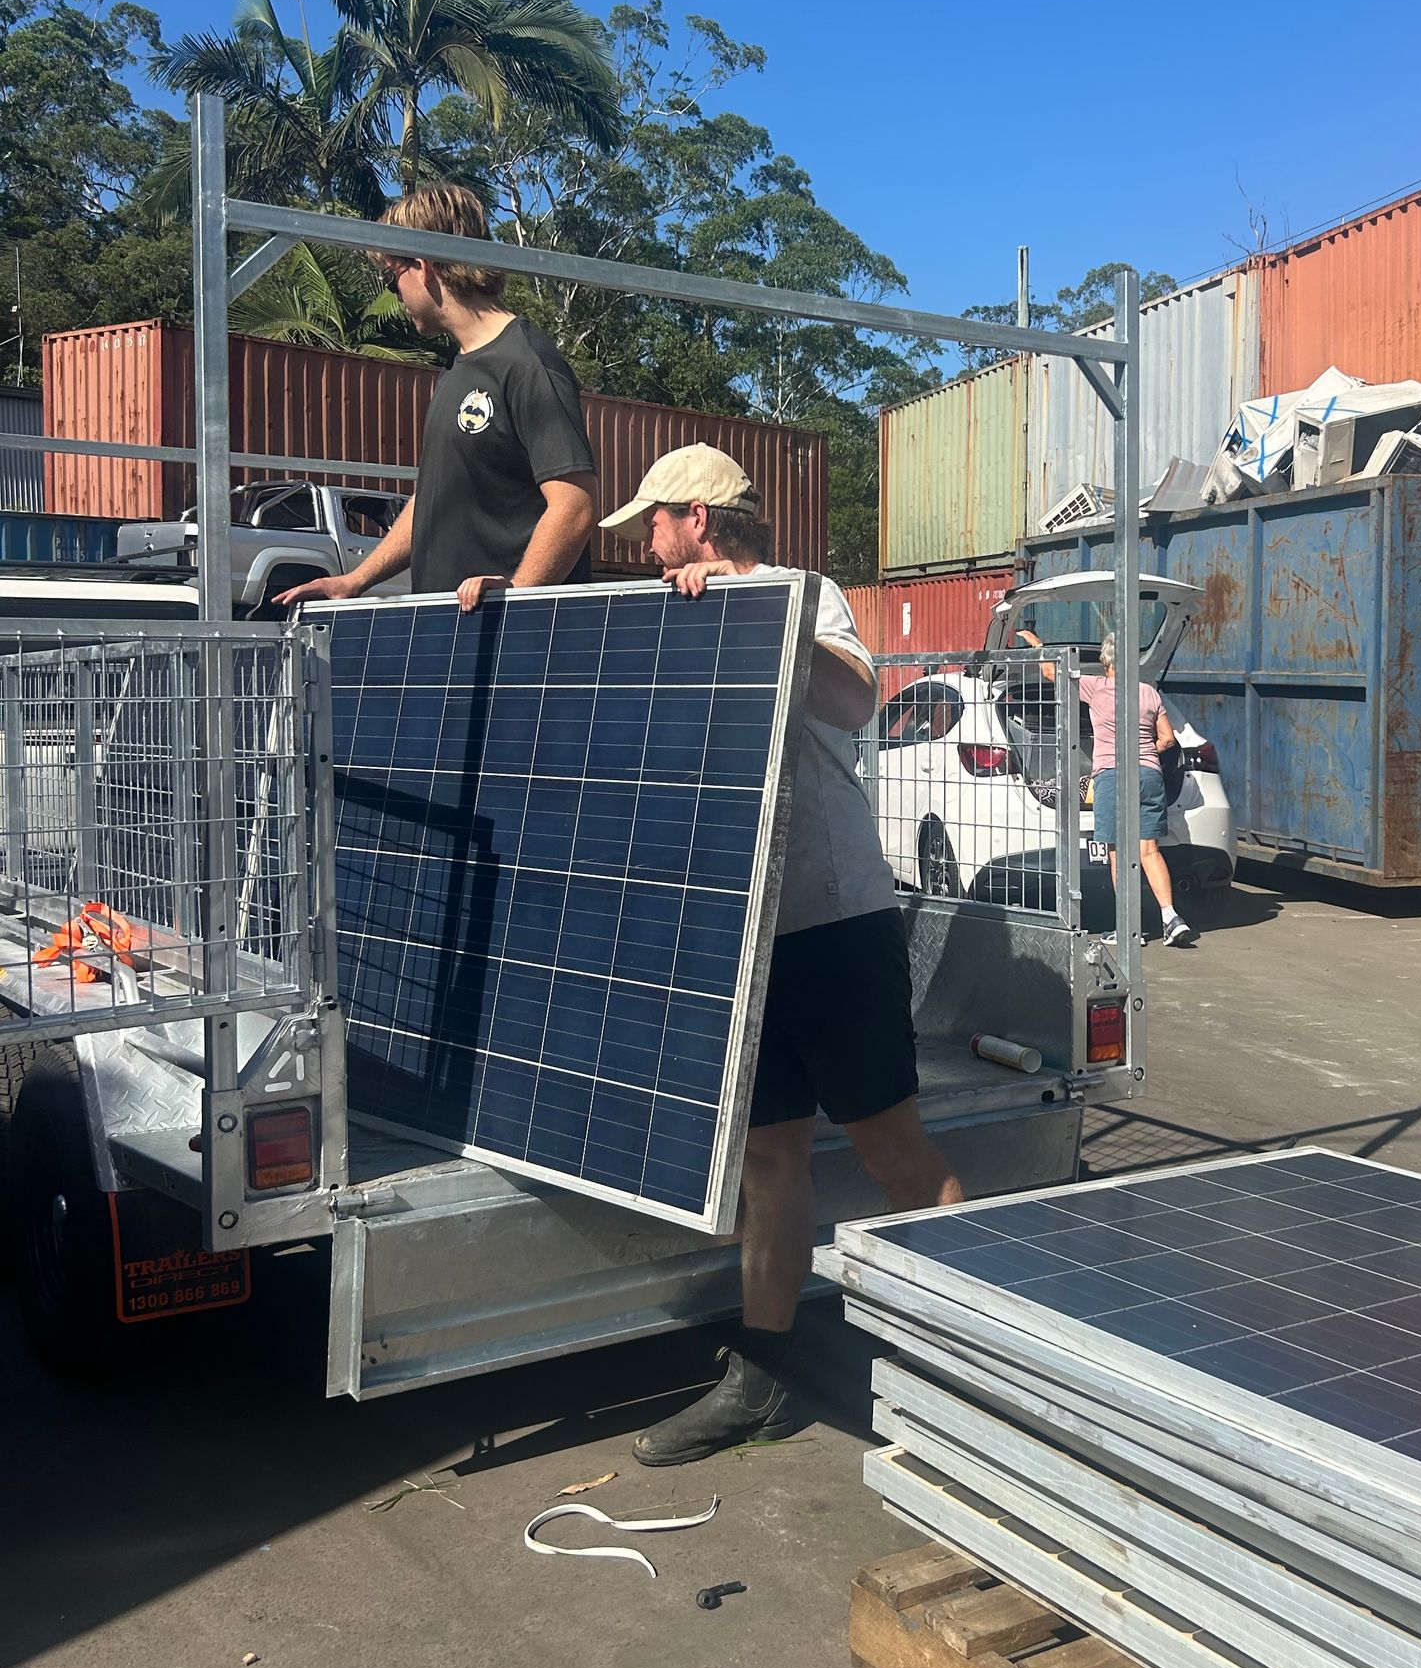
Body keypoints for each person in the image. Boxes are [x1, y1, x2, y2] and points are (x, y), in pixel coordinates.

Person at [603, 444, 964, 1464]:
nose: (645, 543)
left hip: (835, 922)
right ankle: (763, 1376)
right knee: (769, 1156)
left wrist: (750, 606)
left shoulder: (803, 594)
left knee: (891, 1145)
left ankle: (976, 1363)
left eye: (655, 524)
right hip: (744, 927)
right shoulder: (675, 609)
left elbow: (852, 700)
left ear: (699, 521)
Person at [276, 186, 597, 615]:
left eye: (393, 278)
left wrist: (518, 596)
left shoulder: (526, 363)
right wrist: (354, 580)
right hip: (450, 632)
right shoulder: (457, 370)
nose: (394, 294)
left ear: (424, 268)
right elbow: (431, 504)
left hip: (513, 649)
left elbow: (575, 505)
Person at [1018, 624, 1194, 948]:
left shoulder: (1096, 687)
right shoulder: (1149, 692)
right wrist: (1144, 754)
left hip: (1113, 776)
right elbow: (1168, 738)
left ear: (1105, 660)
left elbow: (1051, 674)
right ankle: (1171, 917)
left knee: (1117, 853)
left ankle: (1130, 930)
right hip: (1150, 775)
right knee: (1149, 850)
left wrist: (1038, 644)